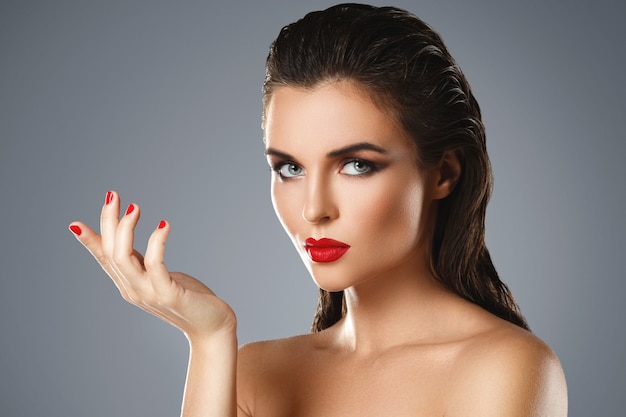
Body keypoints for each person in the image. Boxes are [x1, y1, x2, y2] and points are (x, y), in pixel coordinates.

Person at [68, 3, 567, 416]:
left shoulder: (506, 366)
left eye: (355, 165)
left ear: (443, 174)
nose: (313, 209)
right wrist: (209, 337)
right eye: (289, 169)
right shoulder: (253, 374)